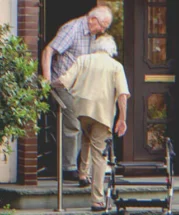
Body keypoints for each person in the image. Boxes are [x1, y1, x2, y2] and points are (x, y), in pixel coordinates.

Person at [51, 34, 130, 211]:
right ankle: (97, 199)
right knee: (100, 157)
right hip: (102, 113)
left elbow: (63, 81)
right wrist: (122, 119)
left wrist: (48, 83)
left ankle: (82, 174)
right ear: (112, 50)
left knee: (87, 137)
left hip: (82, 111)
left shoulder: (83, 60)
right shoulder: (116, 66)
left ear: (95, 47)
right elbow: (123, 95)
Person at [41, 6, 113, 180]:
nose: (103, 30)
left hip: (81, 88)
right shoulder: (72, 29)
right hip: (63, 85)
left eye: (105, 27)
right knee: (72, 124)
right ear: (92, 19)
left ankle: (82, 168)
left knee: (84, 124)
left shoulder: (92, 35)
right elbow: (48, 50)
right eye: (102, 25)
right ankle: (68, 167)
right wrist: (47, 81)